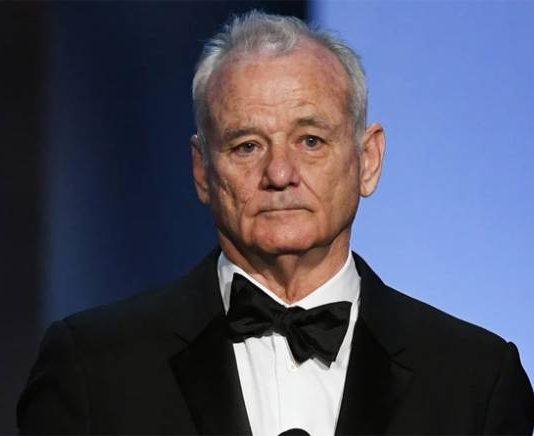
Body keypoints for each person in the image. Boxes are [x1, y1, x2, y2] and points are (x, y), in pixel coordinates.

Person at [18, 10, 534, 435]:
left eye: (310, 141)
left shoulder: (475, 378)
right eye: (247, 146)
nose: (280, 173)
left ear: (368, 160)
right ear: (202, 171)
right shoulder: (94, 366)